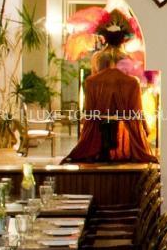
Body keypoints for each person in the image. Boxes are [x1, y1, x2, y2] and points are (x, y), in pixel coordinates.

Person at [66, 27, 156, 163]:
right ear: (122, 40)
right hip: (122, 102)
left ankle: (102, 151)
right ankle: (112, 150)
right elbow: (129, 79)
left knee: (102, 118)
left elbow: (95, 76)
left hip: (102, 103)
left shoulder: (98, 58)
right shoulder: (127, 58)